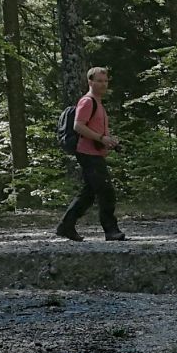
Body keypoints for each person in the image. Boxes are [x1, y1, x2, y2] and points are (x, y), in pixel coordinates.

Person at [55, 66, 125, 242]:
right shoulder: (87, 101)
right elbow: (78, 126)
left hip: (95, 152)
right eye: (99, 81)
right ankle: (111, 230)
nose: (103, 84)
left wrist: (109, 141)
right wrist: (101, 138)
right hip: (87, 152)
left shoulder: (99, 104)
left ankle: (66, 226)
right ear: (90, 82)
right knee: (106, 191)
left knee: (89, 193)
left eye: (105, 81)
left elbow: (95, 130)